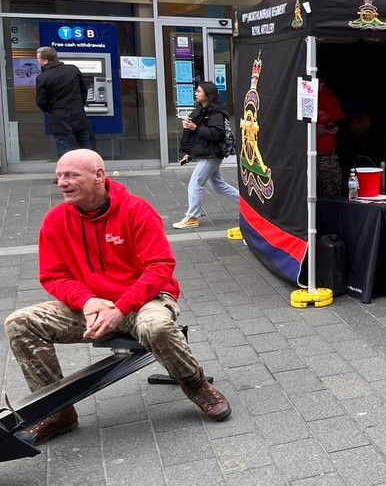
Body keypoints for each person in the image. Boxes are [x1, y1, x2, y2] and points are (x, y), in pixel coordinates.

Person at [4, 150, 231, 444]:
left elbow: (160, 267)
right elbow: (53, 276)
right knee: (19, 322)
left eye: (71, 175)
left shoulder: (136, 210)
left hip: (143, 300)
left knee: (155, 327)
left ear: (99, 175)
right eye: (59, 175)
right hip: (91, 306)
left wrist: (121, 308)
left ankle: (195, 384)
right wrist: (87, 301)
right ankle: (59, 414)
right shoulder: (55, 219)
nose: (62, 182)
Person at [172, 81, 238, 229]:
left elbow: (216, 134)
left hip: (212, 155)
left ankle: (192, 218)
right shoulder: (202, 110)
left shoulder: (215, 113)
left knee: (195, 184)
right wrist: (189, 153)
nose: (196, 93)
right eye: (196, 91)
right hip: (208, 154)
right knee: (220, 186)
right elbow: (198, 137)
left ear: (208, 95)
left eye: (199, 91)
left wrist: (195, 127)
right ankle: (249, 206)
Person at [35, 46, 93, 157]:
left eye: (39, 59)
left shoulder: (42, 77)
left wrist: (50, 109)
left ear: (45, 60)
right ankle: (91, 170)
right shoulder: (73, 69)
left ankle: (66, 172)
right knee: (85, 144)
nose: (38, 61)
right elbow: (83, 90)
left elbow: (41, 101)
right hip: (78, 113)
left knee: (63, 146)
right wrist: (80, 105)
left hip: (58, 116)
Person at [316, 81, 345, 197]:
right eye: (317, 83)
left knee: (333, 193)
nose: (319, 87)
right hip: (306, 157)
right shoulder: (303, 93)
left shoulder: (329, 95)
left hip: (328, 157)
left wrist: (335, 128)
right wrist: (313, 130)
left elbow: (341, 119)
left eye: (322, 84)